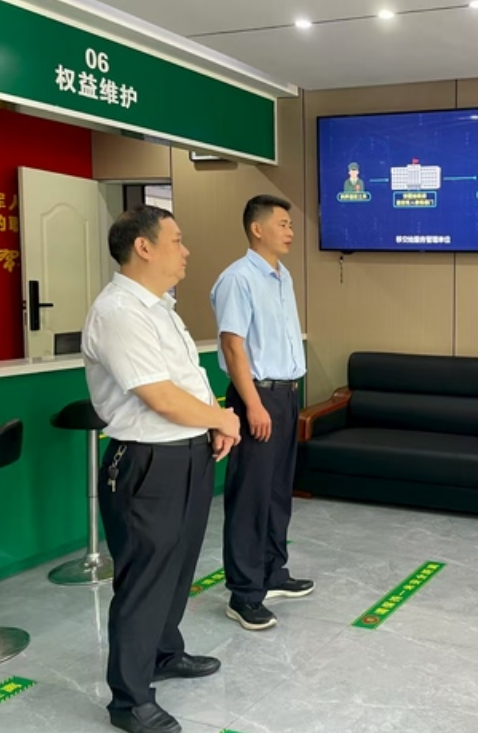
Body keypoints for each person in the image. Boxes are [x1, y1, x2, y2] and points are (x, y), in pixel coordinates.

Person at [82, 205, 241, 733]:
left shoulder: (160, 308)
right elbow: (160, 397)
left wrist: (214, 420)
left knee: (177, 567)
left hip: (188, 452)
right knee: (146, 579)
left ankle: (164, 653)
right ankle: (129, 700)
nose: (186, 250)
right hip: (147, 461)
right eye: (176, 240)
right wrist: (224, 418)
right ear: (143, 247)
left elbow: (188, 380)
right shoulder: (118, 311)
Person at [211, 194, 310, 632]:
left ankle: (273, 572)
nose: (290, 231)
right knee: (250, 496)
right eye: (283, 224)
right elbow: (233, 346)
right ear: (257, 228)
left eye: (290, 225)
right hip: (257, 396)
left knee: (277, 491)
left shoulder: (282, 276)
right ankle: (244, 594)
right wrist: (252, 404)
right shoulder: (238, 278)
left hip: (285, 395)